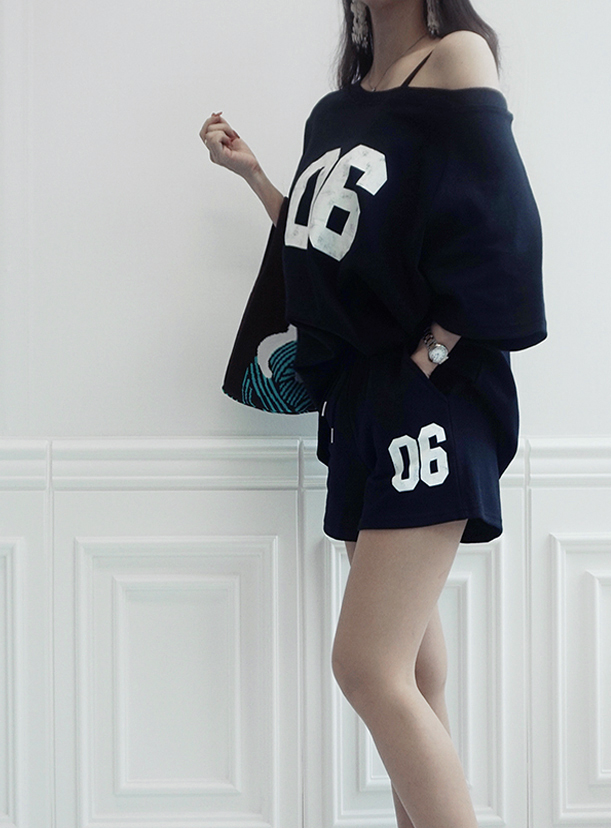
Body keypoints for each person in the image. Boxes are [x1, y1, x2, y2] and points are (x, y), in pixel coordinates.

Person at [200, 2, 546, 825]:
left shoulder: (456, 57)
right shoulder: (337, 110)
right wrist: (257, 178)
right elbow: (329, 247)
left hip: (429, 402)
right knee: (413, 673)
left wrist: (432, 356)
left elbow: (505, 228)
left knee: (367, 668)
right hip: (361, 405)